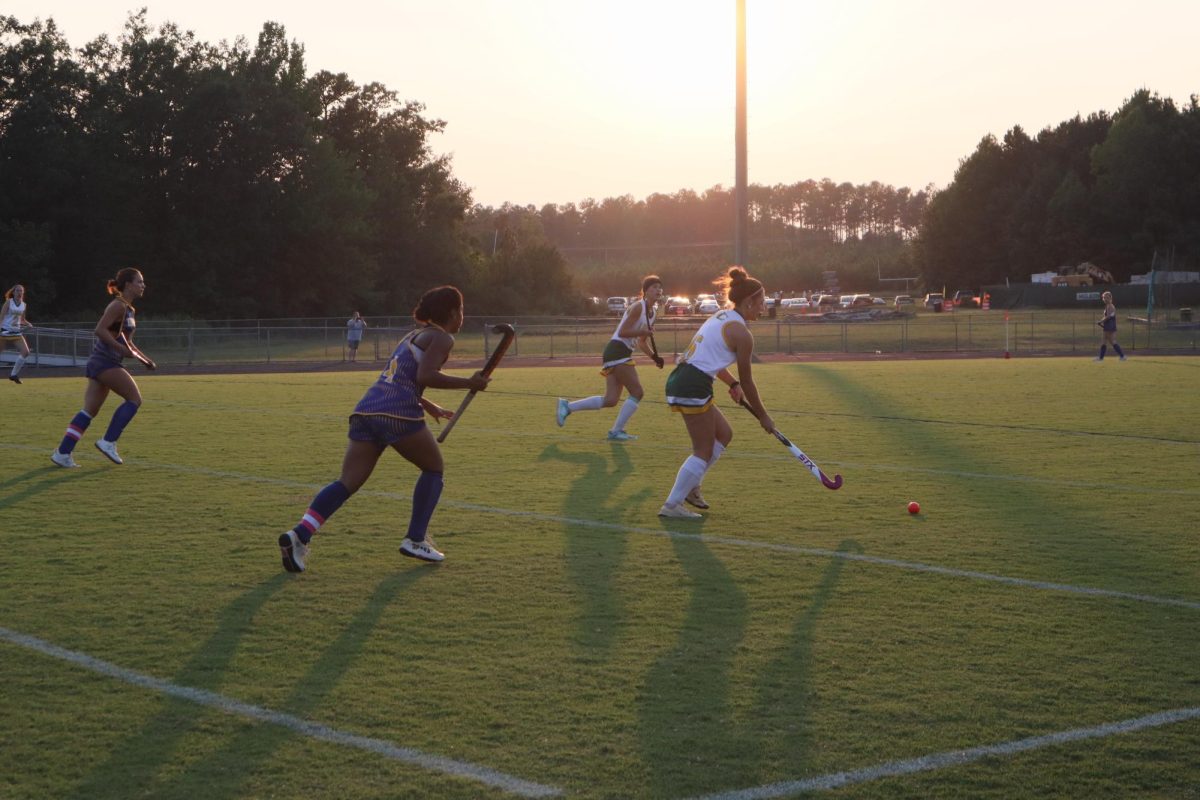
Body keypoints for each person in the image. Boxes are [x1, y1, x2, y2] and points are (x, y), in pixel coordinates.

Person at [278, 285, 489, 572]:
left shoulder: (413, 335)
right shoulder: (442, 337)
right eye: (461, 310)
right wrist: (470, 382)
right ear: (452, 312)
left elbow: (401, 377)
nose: (463, 316)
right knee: (434, 469)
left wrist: (428, 405)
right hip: (397, 412)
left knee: (347, 482)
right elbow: (425, 374)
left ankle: (299, 534)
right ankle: (415, 539)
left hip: (367, 409)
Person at [658, 266, 775, 518]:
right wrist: (763, 416)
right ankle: (672, 505)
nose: (764, 306)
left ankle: (691, 486)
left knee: (724, 433)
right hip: (692, 383)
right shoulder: (743, 334)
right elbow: (749, 380)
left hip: (686, 378)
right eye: (761, 301)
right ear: (748, 302)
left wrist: (732, 384)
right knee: (703, 449)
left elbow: (711, 361)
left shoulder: (723, 316)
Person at [51, 268, 156, 468]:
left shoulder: (129, 309)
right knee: (134, 400)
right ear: (128, 285)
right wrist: (120, 349)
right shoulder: (118, 305)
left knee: (89, 411)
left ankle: (63, 453)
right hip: (105, 361)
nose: (143, 285)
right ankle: (108, 441)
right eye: (140, 282)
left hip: (104, 362)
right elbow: (99, 330)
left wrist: (144, 359)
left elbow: (128, 343)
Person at [556, 275, 665, 441]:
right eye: (654, 287)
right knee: (637, 392)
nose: (658, 290)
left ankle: (567, 407)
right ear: (646, 291)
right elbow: (623, 332)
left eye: (660, 287)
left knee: (611, 400)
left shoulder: (652, 313)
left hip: (620, 352)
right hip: (617, 350)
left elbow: (642, 343)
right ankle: (616, 431)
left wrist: (655, 357)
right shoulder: (638, 307)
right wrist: (643, 332)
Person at [1, 284, 34, 384]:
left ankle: (13, 375)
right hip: (4, 331)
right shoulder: (8, 302)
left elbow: (22, 320)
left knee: (26, 352)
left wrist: (29, 324)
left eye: (21, 291)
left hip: (16, 332)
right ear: (13, 292)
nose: (19, 293)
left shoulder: (24, 305)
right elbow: (1, 317)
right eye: (17, 291)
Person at [1094, 291, 1126, 362]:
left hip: (1110, 326)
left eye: (1107, 297)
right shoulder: (1108, 306)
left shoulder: (1110, 306)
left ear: (1110, 298)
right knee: (1105, 341)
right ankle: (1101, 358)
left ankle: (1122, 356)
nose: (1105, 299)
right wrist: (1101, 321)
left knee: (1111, 341)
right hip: (1108, 325)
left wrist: (1100, 321)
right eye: (1104, 297)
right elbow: (1106, 316)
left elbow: (1108, 317)